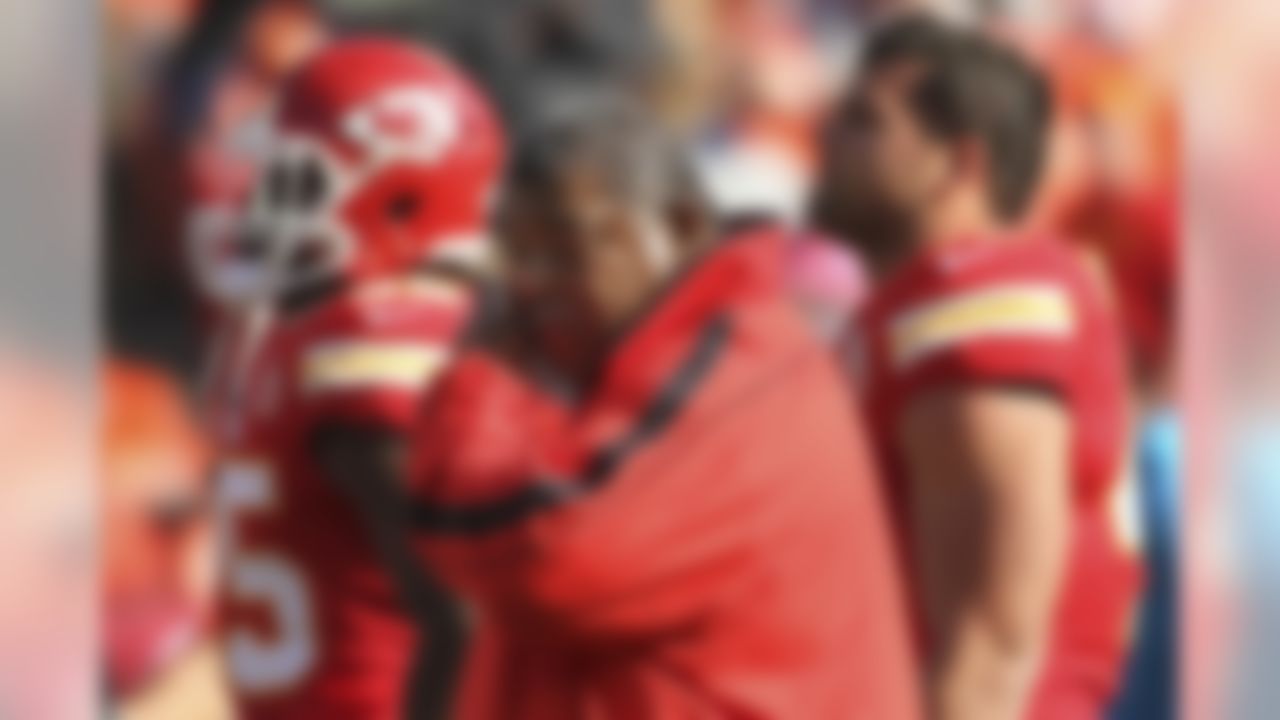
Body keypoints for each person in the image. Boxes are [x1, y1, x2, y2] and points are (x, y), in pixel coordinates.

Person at [387, 93, 921, 719]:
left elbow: (546, 553)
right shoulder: (629, 365)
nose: (534, 283)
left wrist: (481, 377)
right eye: (520, 254)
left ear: (684, 227)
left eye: (566, 246)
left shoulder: (740, 367)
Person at [812, 16, 1142, 720]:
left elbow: (989, 644)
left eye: (864, 123)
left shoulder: (975, 298)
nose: (825, 137)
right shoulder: (918, 302)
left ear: (961, 163)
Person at [204, 38, 504, 719]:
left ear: (401, 202)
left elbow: (463, 613)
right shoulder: (311, 333)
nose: (262, 211)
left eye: (298, 186)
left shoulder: (367, 344)